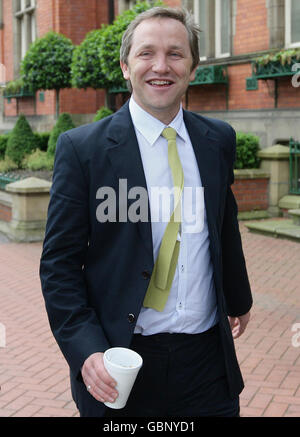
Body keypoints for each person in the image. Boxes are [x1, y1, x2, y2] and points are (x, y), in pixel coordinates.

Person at [40, 6, 252, 417]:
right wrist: (86, 351)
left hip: (207, 363)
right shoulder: (83, 150)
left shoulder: (218, 140)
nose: (161, 66)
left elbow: (224, 225)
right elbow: (59, 266)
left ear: (192, 66)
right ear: (125, 66)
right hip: (122, 363)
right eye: (146, 53)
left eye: (175, 54)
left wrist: (238, 299)